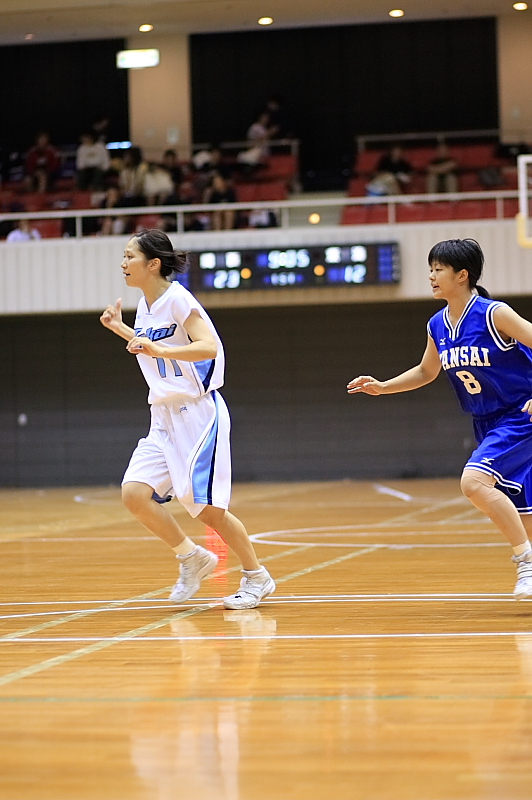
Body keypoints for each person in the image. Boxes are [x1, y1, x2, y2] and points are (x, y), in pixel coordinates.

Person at [347, 238, 532, 600]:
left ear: (462, 275)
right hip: (486, 423)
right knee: (524, 512)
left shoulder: (495, 314)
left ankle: (524, 562)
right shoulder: (438, 324)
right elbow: (425, 371)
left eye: (438, 269)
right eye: (430, 269)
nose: (431, 276)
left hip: (520, 415)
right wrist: (383, 387)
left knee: (474, 482)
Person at [100, 229, 276, 609]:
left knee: (208, 508)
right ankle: (191, 556)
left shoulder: (178, 299)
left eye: (129, 256)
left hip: (197, 414)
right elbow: (153, 351)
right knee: (134, 494)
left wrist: (156, 346)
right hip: (162, 416)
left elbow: (208, 346)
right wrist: (123, 331)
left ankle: (257, 577)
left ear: (153, 264)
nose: (123, 263)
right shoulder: (146, 305)